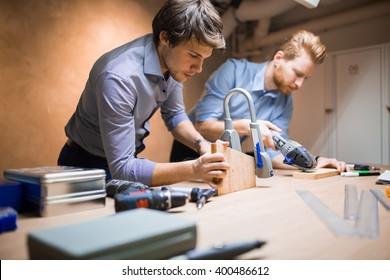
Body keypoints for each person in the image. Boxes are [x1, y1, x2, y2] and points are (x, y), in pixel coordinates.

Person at [58, 0, 230, 188]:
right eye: (193, 56)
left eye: (204, 58)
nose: (198, 69)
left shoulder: (173, 64)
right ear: (165, 38)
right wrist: (194, 168)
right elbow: (122, 168)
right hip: (84, 166)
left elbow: (175, 116)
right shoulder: (118, 78)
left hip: (124, 162)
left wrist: (201, 144)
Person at [170, 30, 348, 172]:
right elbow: (202, 127)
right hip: (190, 148)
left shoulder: (285, 101)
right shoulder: (233, 72)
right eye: (298, 74)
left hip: (226, 154)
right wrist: (247, 127)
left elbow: (273, 152)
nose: (299, 84)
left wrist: (312, 163)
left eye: (305, 79)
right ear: (279, 59)